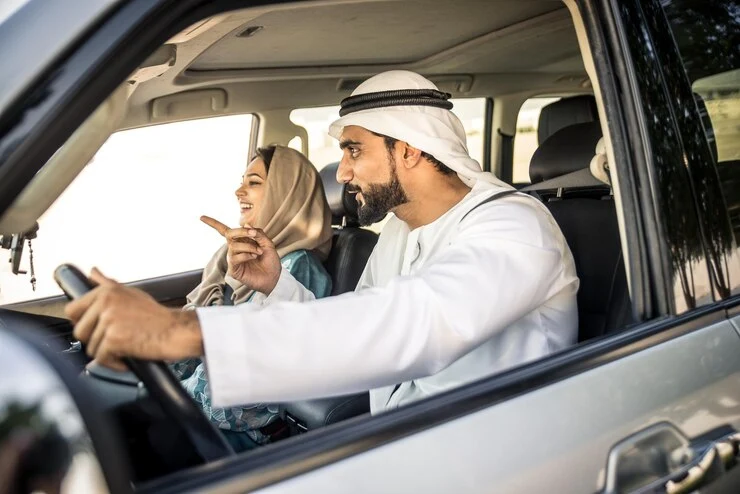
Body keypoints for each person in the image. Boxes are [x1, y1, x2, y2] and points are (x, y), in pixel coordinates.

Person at [66, 70, 579, 415]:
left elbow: (413, 323)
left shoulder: (515, 226)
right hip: (402, 442)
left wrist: (185, 331)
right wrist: (277, 285)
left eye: (354, 151)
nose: (344, 172)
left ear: (409, 151)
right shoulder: (401, 229)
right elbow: (355, 325)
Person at [173, 145, 333, 451]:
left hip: (246, 432)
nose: (239, 191)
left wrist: (164, 394)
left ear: (285, 194)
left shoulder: (299, 267)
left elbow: (263, 372)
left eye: (254, 182)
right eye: (242, 182)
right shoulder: (234, 256)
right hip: (204, 407)